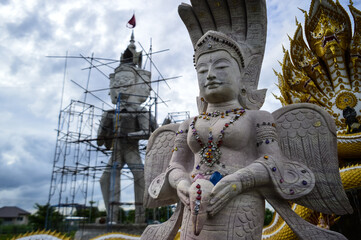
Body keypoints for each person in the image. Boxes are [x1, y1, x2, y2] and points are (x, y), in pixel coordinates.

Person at [142, 1, 352, 239]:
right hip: (193, 205)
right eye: (201, 70)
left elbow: (274, 162)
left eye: (221, 66)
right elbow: (175, 165)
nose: (210, 75)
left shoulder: (257, 118)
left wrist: (237, 182)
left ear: (243, 76)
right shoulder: (187, 124)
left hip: (240, 205)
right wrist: (181, 183)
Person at [98, 35, 157, 224]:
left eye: (126, 82)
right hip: (116, 150)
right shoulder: (109, 113)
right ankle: (111, 218)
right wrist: (103, 132)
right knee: (106, 179)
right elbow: (101, 139)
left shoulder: (140, 110)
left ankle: (140, 218)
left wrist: (128, 134)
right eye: (118, 83)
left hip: (131, 149)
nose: (121, 86)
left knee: (140, 176)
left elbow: (150, 132)